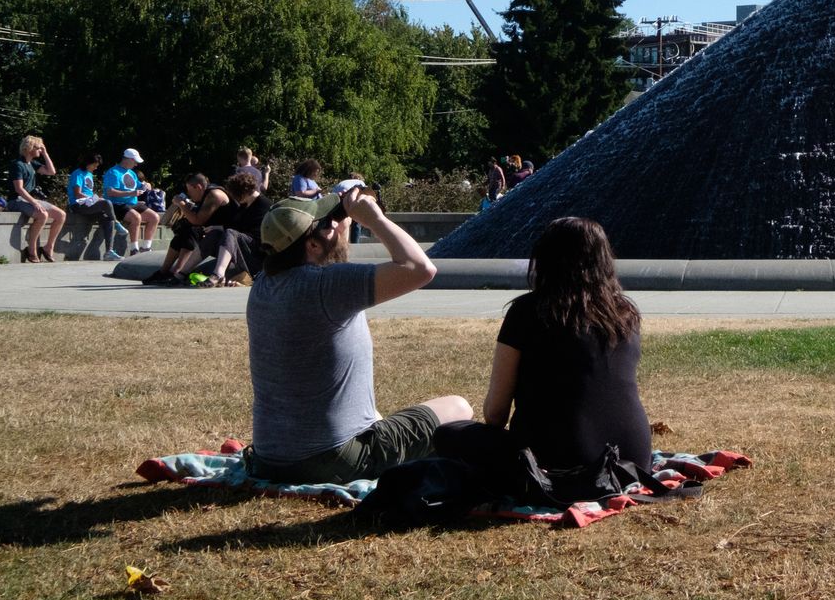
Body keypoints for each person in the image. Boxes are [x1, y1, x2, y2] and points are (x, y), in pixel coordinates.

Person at [243, 183, 470, 484]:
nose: (340, 224)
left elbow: (336, 265)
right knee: (458, 407)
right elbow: (420, 268)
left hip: (270, 460)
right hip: (331, 460)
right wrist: (373, 219)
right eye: (330, 223)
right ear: (311, 245)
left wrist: (338, 223)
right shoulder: (326, 286)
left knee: (379, 418)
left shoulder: (263, 285)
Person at [434, 216, 654, 490]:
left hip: (554, 463)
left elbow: (495, 414)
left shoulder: (528, 312)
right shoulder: (626, 313)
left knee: (448, 434)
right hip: (633, 459)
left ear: (545, 258)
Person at [182, 172, 272, 285]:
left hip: (253, 255)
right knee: (215, 234)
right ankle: (182, 273)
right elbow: (236, 224)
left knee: (230, 232)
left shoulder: (264, 205)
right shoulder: (244, 204)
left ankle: (218, 274)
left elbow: (251, 232)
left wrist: (225, 229)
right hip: (238, 248)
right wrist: (218, 227)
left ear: (242, 193)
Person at [145, 173, 230, 284]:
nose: (189, 194)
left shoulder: (214, 194)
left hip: (225, 239)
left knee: (191, 230)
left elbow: (198, 221)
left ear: (198, 187)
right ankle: (163, 271)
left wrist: (182, 205)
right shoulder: (206, 194)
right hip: (213, 234)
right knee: (184, 228)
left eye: (190, 190)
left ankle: (178, 272)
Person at [8, 135, 65, 262]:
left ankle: (48, 247)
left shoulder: (32, 164)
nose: (40, 150)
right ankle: (31, 249)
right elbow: (19, 189)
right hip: (16, 200)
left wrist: (45, 153)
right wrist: (34, 202)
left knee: (61, 215)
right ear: (30, 148)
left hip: (28, 199)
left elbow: (51, 171)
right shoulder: (17, 164)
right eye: (39, 148)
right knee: (42, 215)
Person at [66, 151, 124, 261]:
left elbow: (88, 193)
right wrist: (95, 198)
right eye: (95, 165)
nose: (96, 168)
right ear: (88, 163)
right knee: (106, 203)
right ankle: (117, 223)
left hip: (88, 203)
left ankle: (109, 252)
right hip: (78, 204)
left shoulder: (89, 174)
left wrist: (94, 198)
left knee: (108, 219)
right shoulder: (78, 173)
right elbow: (77, 193)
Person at [103, 149, 157, 254]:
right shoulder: (113, 172)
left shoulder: (131, 173)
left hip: (132, 204)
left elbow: (140, 185)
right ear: (127, 159)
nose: (136, 164)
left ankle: (146, 247)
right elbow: (110, 192)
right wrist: (130, 193)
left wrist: (146, 185)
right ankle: (134, 249)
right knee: (136, 217)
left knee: (154, 217)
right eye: (135, 161)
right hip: (117, 204)